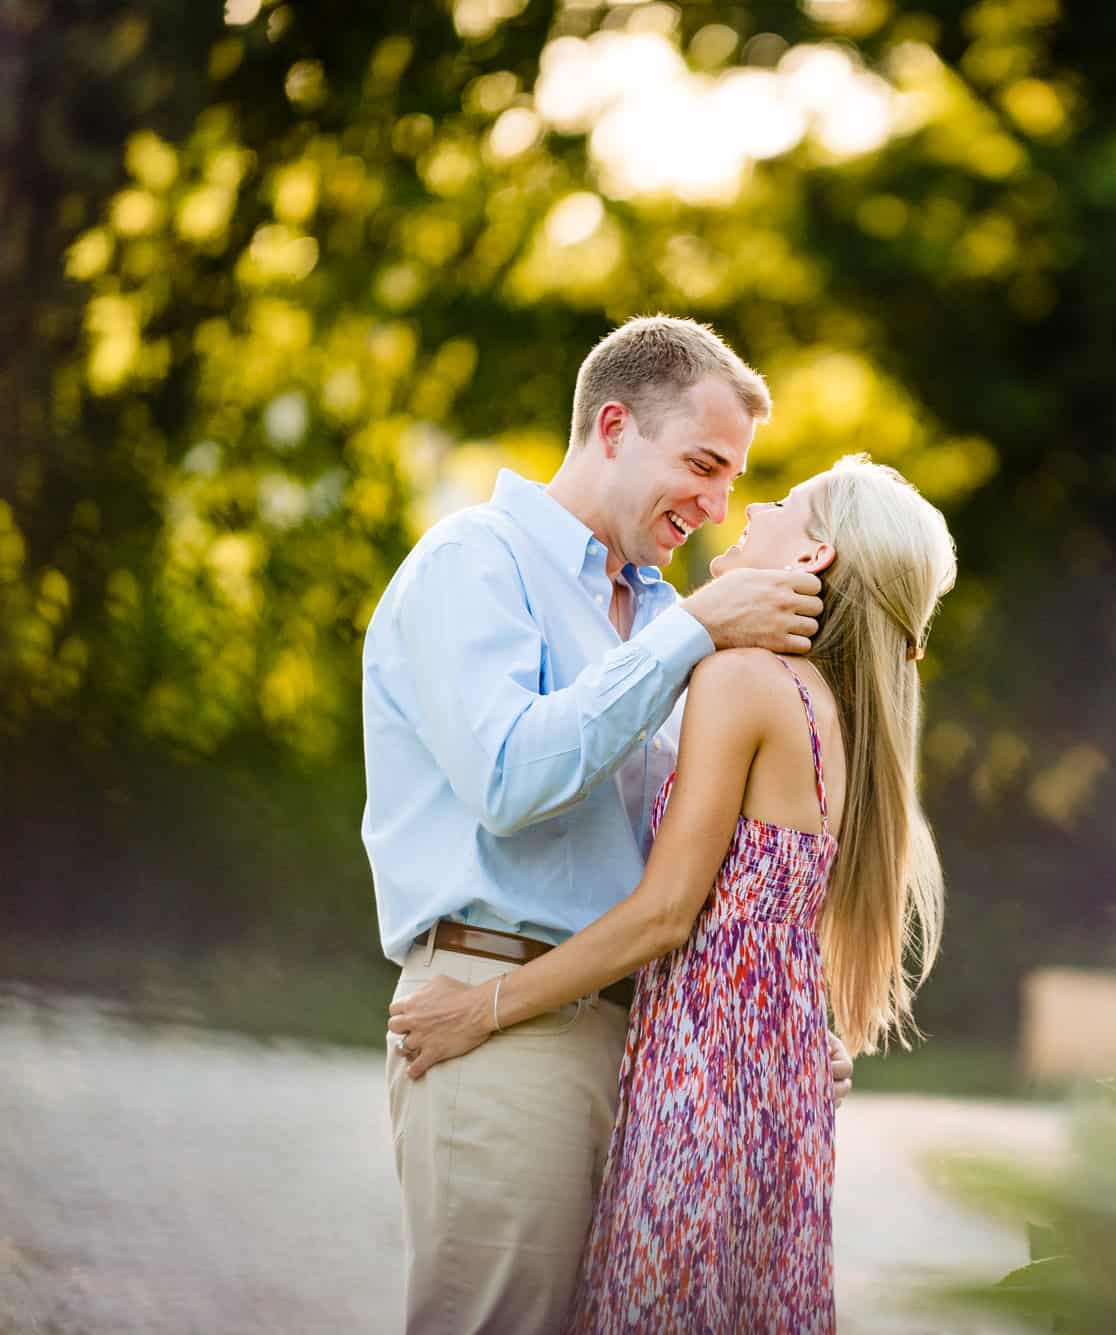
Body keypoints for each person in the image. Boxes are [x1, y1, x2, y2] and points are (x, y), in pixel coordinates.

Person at [361, 315, 855, 1335]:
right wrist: (689, 634)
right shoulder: (475, 561)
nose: (716, 507)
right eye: (702, 466)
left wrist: (784, 1025)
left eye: (731, 482)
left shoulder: (664, 615)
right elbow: (507, 777)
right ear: (615, 426)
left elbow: (694, 867)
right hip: (501, 1025)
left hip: (642, 1047)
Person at [389, 455, 956, 1332]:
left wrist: (483, 1008)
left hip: (701, 1086)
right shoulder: (827, 712)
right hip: (765, 1088)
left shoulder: (741, 682)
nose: (751, 505)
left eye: (783, 503)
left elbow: (665, 912)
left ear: (812, 559)